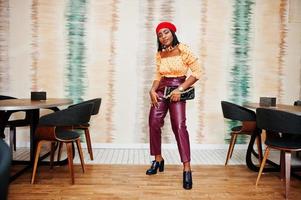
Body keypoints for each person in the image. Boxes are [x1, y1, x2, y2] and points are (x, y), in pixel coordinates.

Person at [146, 21, 202, 190]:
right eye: (160, 35)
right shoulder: (160, 54)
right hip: (161, 89)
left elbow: (197, 72)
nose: (163, 37)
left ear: (173, 33)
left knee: (179, 126)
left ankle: (187, 169)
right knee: (153, 123)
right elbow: (158, 74)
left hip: (178, 88)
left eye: (166, 32)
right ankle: (158, 159)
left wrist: (180, 89)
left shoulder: (183, 49)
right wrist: (152, 89)